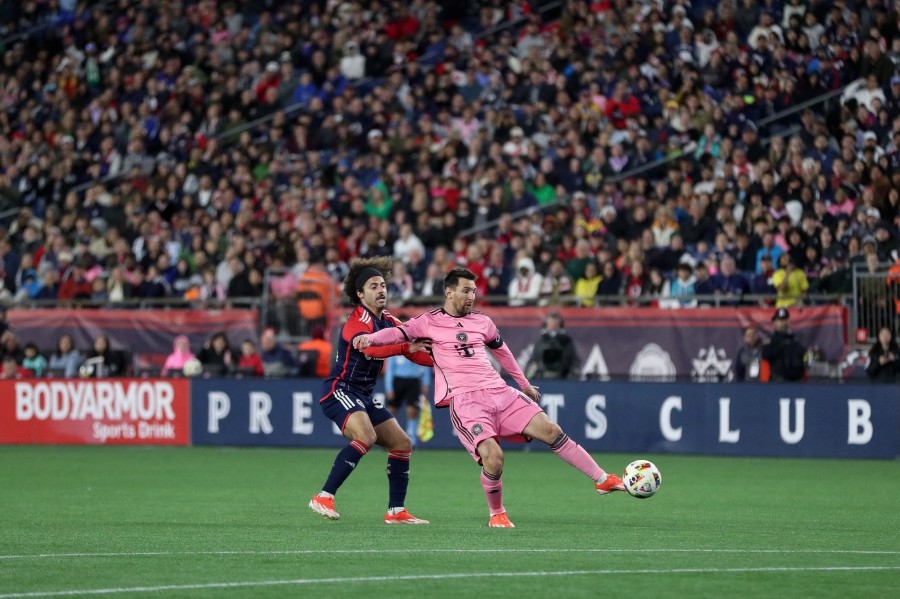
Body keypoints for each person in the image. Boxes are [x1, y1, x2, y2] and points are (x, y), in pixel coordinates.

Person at [354, 267, 625, 529]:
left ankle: (601, 478)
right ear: (448, 292)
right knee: (494, 458)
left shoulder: (483, 321)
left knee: (552, 430)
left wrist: (524, 384)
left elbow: (503, 353)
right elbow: (397, 334)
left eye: (473, 291)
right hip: (466, 402)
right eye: (465, 290)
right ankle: (497, 513)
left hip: (501, 393)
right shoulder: (429, 321)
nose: (471, 296)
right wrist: (371, 338)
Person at [308, 257, 434, 525]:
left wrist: (445, 361)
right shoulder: (357, 321)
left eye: (383, 285)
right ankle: (323, 496)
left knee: (402, 443)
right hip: (339, 390)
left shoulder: (389, 320)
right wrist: (405, 347)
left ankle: (396, 512)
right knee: (365, 435)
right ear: (360, 293)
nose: (381, 290)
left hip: (363, 395)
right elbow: (371, 349)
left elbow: (413, 349)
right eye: (373, 286)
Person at [384, 315, 432, 448]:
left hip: (414, 382)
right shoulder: (395, 344)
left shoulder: (418, 343)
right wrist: (389, 389)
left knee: (412, 411)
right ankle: (391, 439)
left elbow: (424, 362)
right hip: (398, 381)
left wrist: (426, 383)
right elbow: (390, 370)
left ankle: (411, 440)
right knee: (391, 411)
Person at [524, 312, 579, 380]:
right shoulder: (541, 342)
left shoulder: (567, 342)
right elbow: (533, 362)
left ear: (560, 325)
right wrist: (528, 377)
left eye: (555, 324)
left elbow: (574, 363)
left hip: (562, 379)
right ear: (546, 325)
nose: (553, 326)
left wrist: (571, 380)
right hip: (542, 379)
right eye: (551, 324)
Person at [761, 308, 806, 382]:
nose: (783, 323)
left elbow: (803, 358)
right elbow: (765, 355)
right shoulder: (771, 342)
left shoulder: (795, 341)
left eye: (785, 320)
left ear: (789, 321)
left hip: (797, 383)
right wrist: (782, 345)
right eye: (780, 320)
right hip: (778, 383)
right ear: (775, 322)